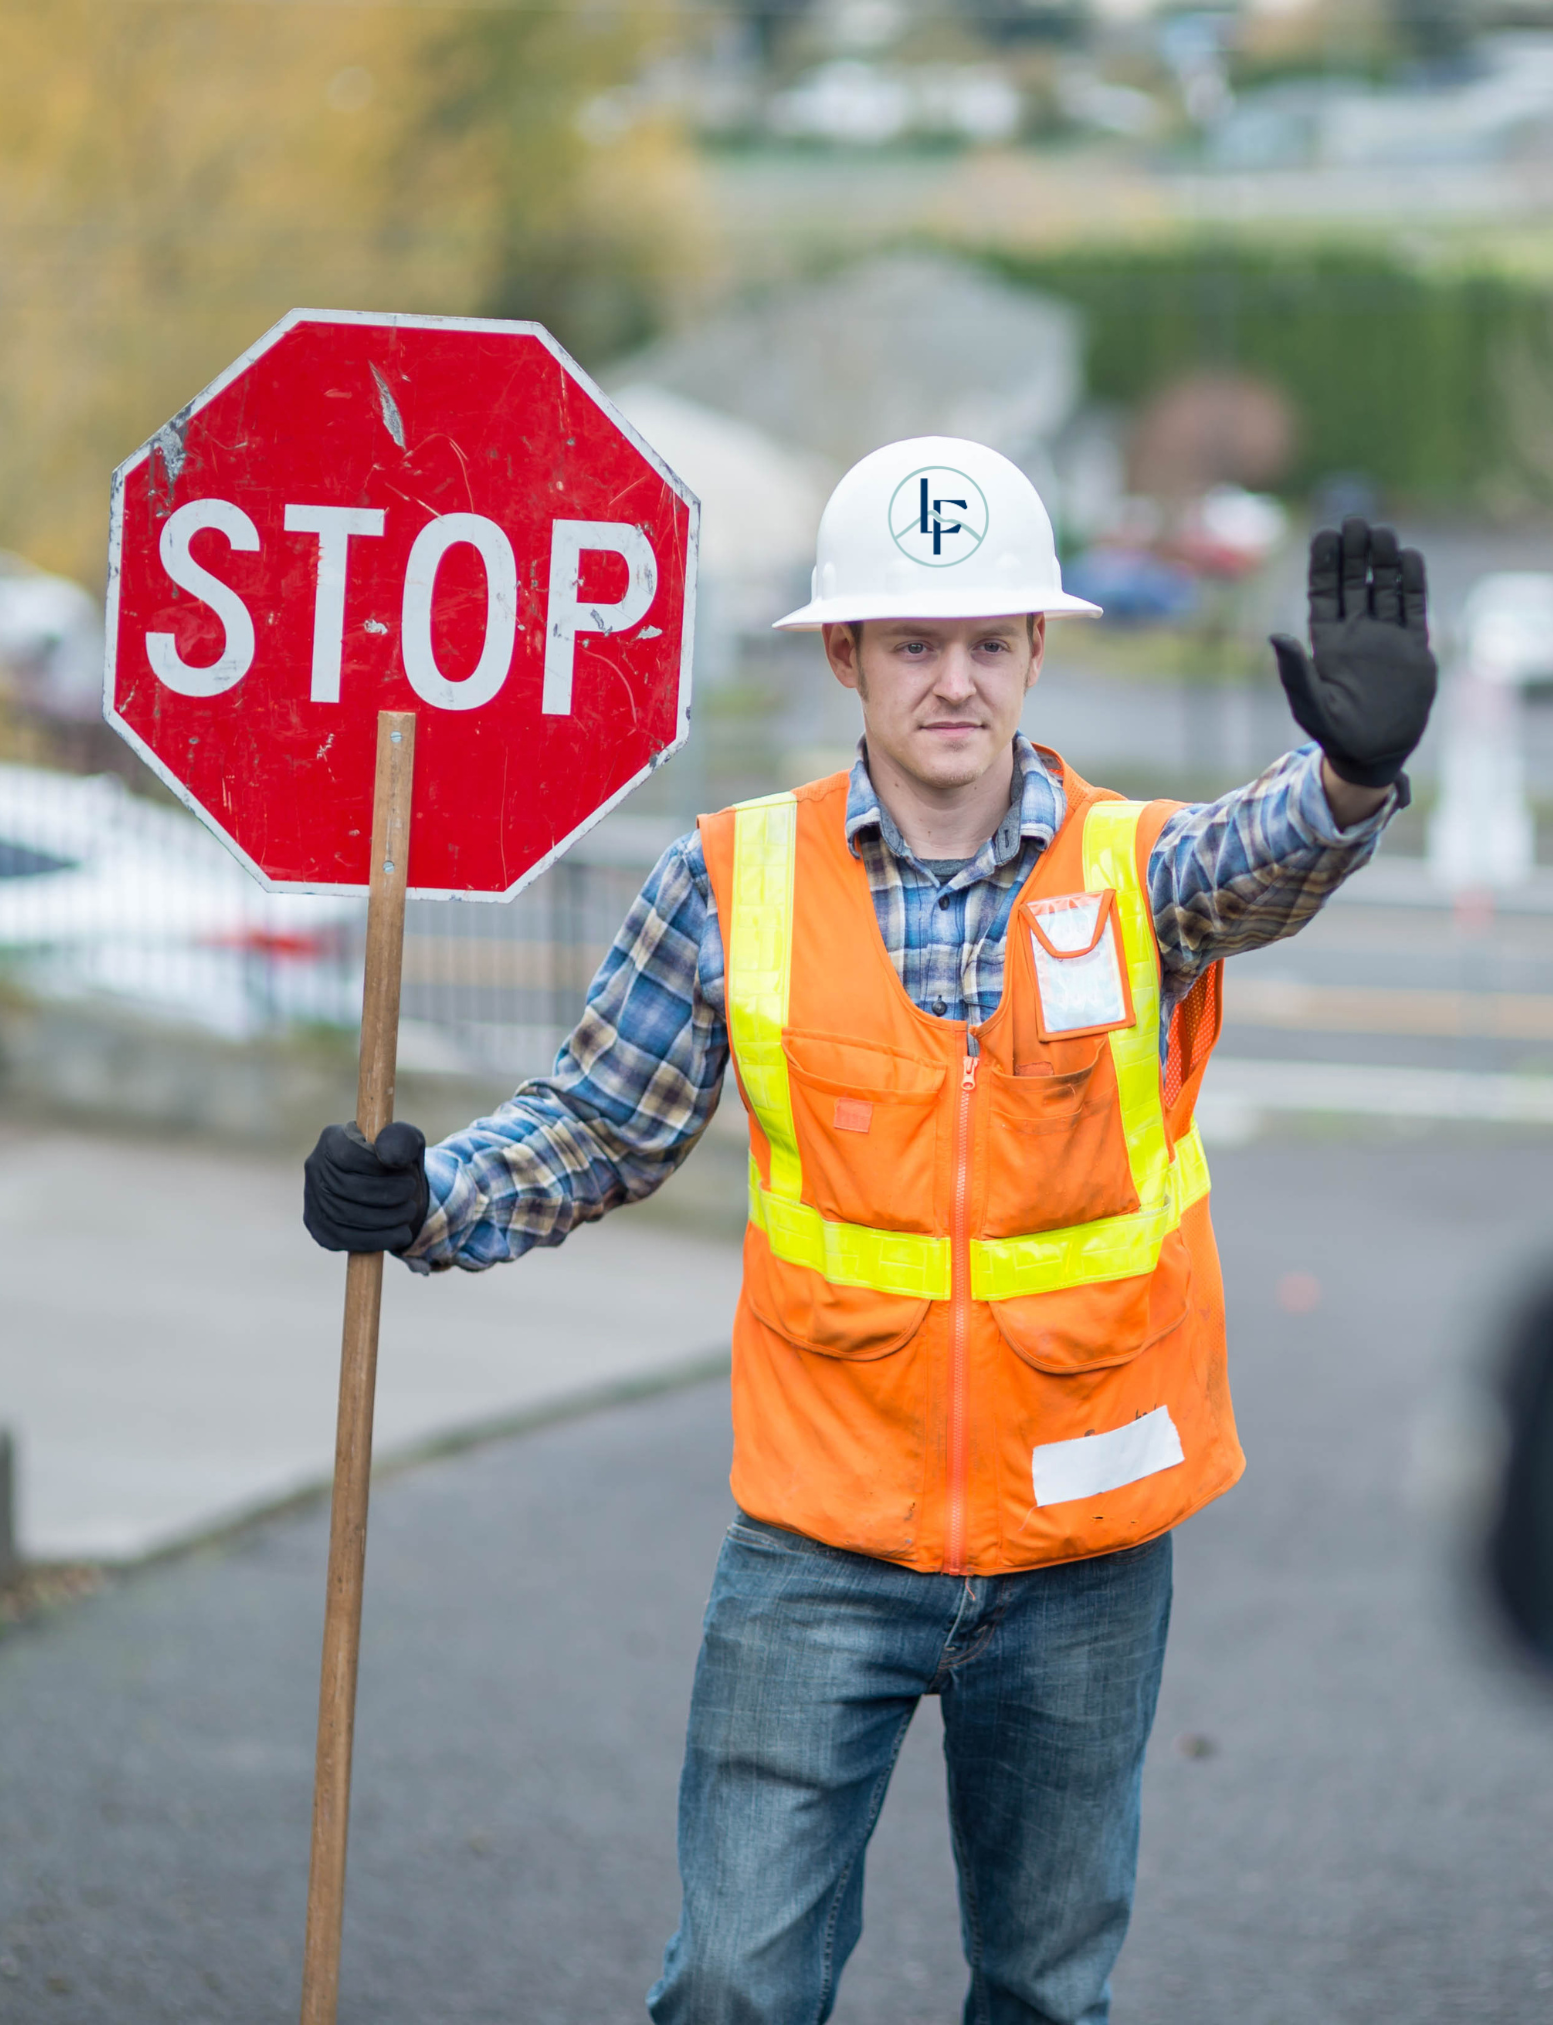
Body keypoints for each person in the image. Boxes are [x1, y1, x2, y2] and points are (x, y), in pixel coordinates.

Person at [303, 437, 1436, 2025]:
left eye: (988, 640)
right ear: (845, 654)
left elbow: (1256, 859)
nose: (955, 681)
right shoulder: (731, 883)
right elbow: (598, 1120)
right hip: (822, 1542)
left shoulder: (1132, 875)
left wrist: (1350, 782)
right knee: (737, 1990)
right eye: (914, 641)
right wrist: (428, 1200)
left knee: (1045, 1993)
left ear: (1039, 648)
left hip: (1084, 1553)